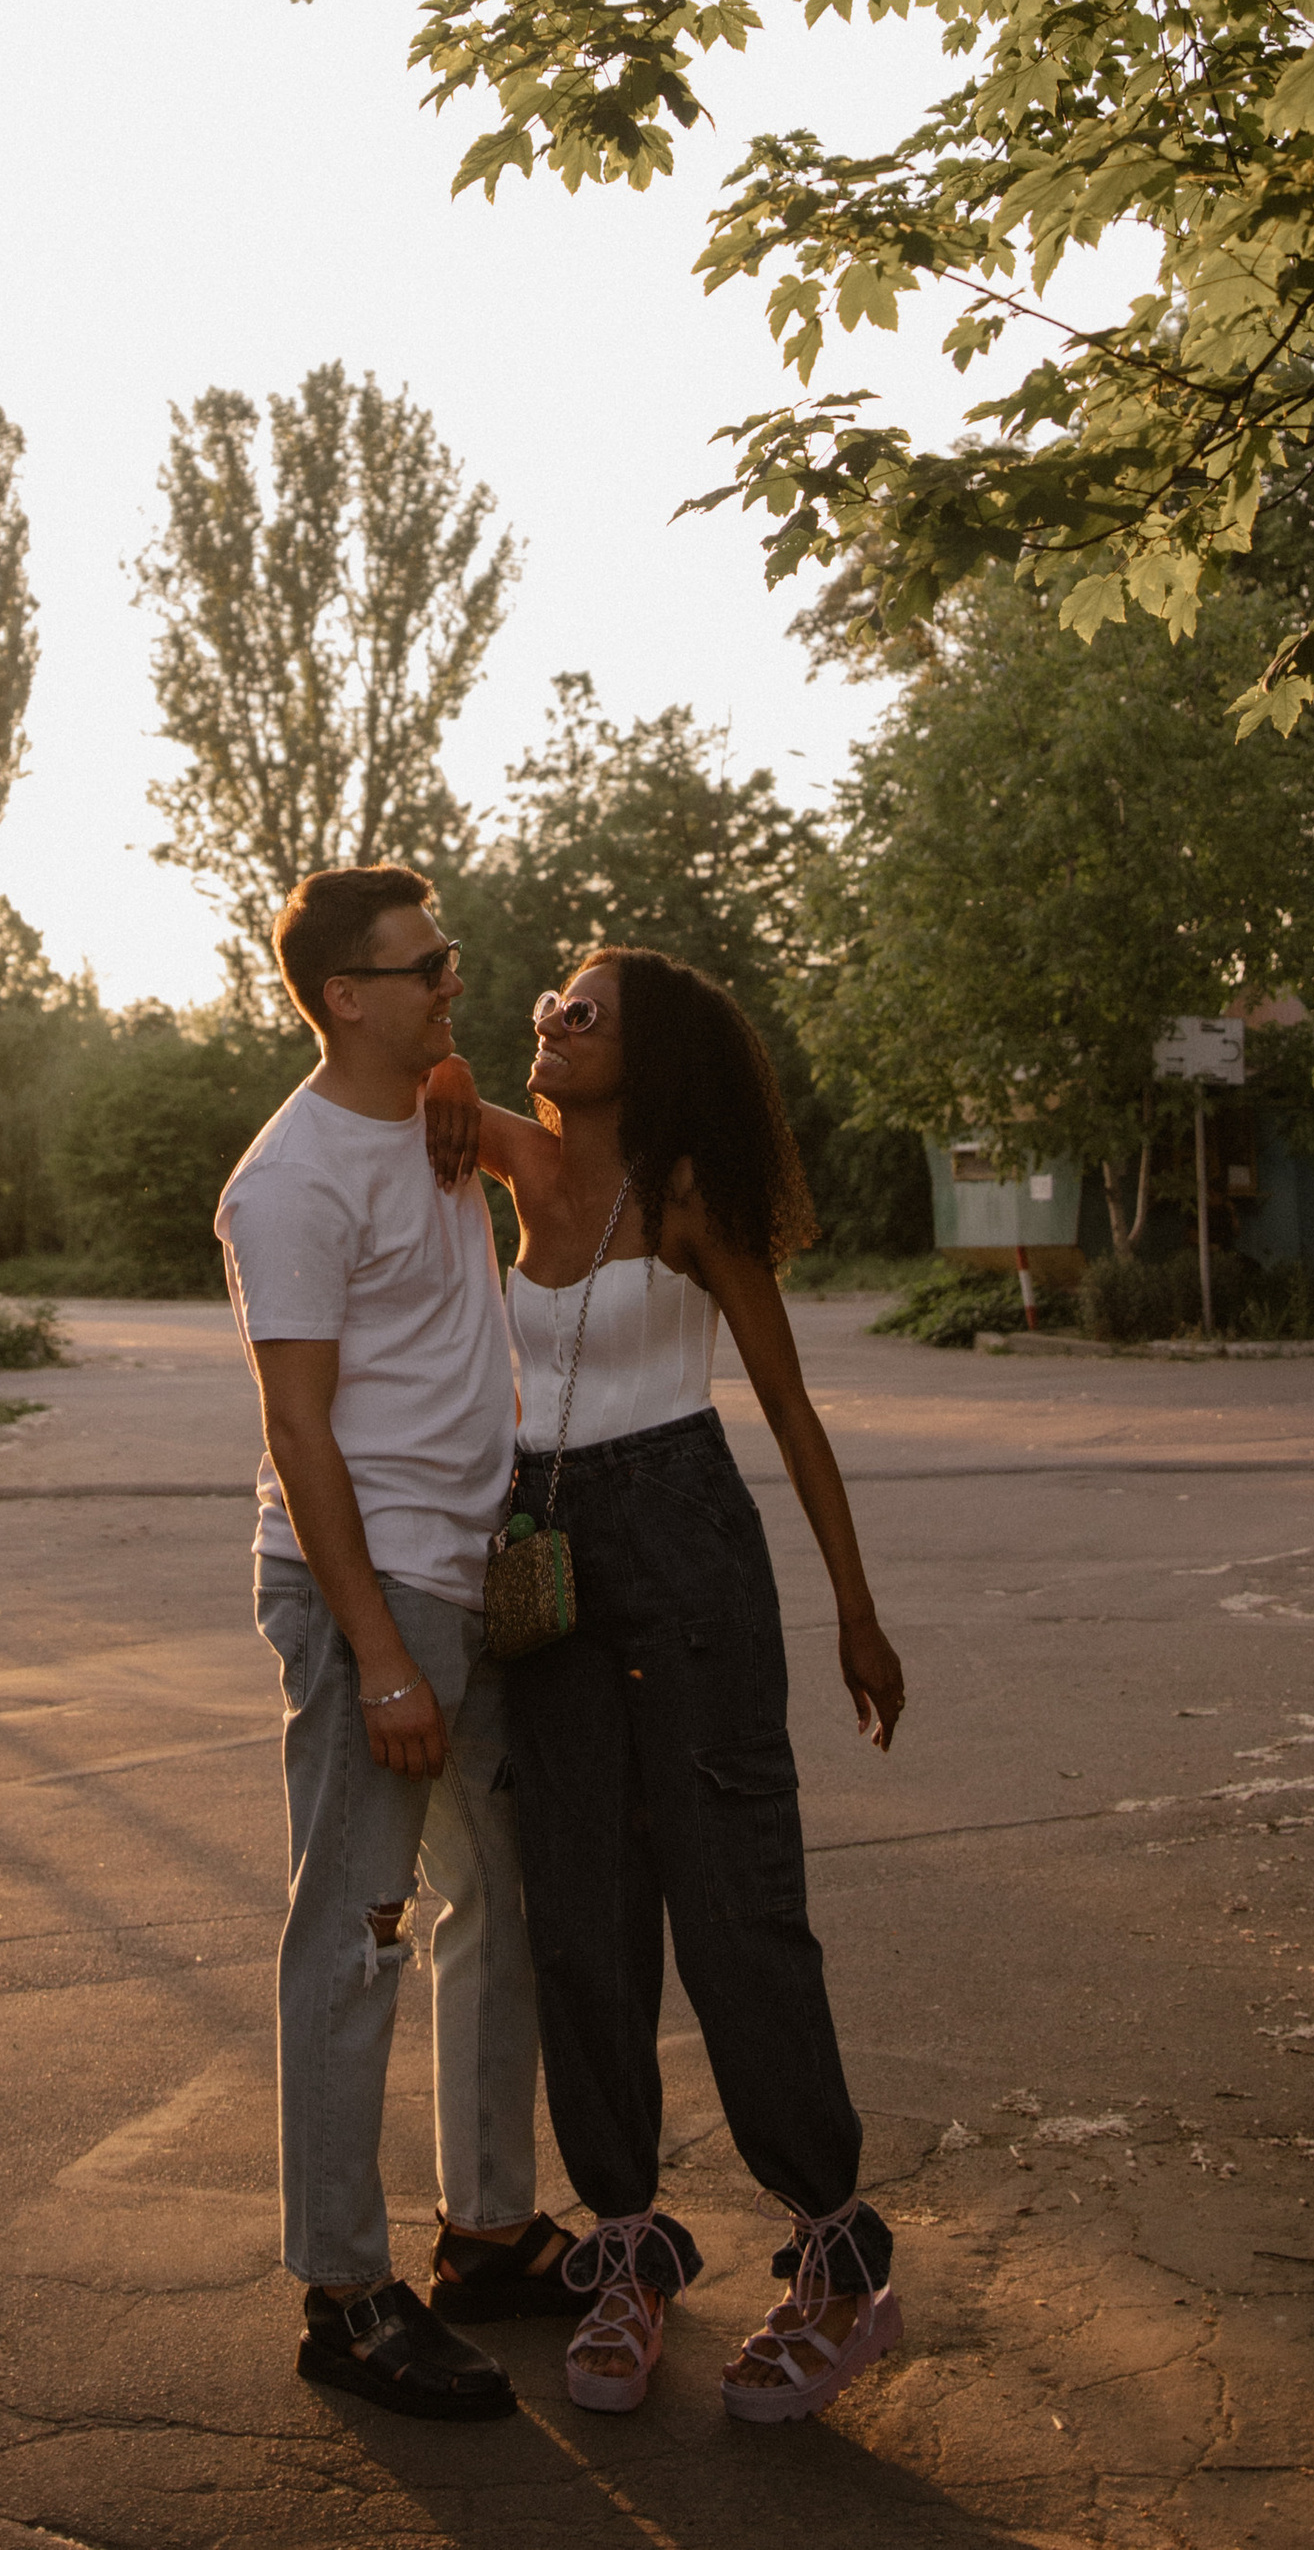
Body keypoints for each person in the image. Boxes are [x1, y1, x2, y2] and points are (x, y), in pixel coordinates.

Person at [424, 948, 908, 2425]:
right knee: (579, 1907)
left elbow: (788, 1405)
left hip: (688, 1546)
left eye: (587, 1012)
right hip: (547, 1554)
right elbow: (434, 1085)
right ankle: (627, 2247)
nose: (552, 1020)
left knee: (730, 1894)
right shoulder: (522, 1158)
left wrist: (855, 1606)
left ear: (653, 1052)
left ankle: (835, 2262)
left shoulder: (688, 1195)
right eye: (551, 1003)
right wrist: (445, 1078)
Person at [217, 865, 594, 2424]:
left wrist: (462, 1092)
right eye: (425, 966)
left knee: (495, 1901)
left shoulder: (432, 1119)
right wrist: (377, 1655)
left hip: (471, 1569)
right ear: (345, 996)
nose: (458, 979)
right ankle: (342, 2290)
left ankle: (489, 2230)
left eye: (450, 958)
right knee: (354, 1929)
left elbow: (577, 1193)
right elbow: (297, 1431)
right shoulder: (292, 1181)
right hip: (362, 1587)